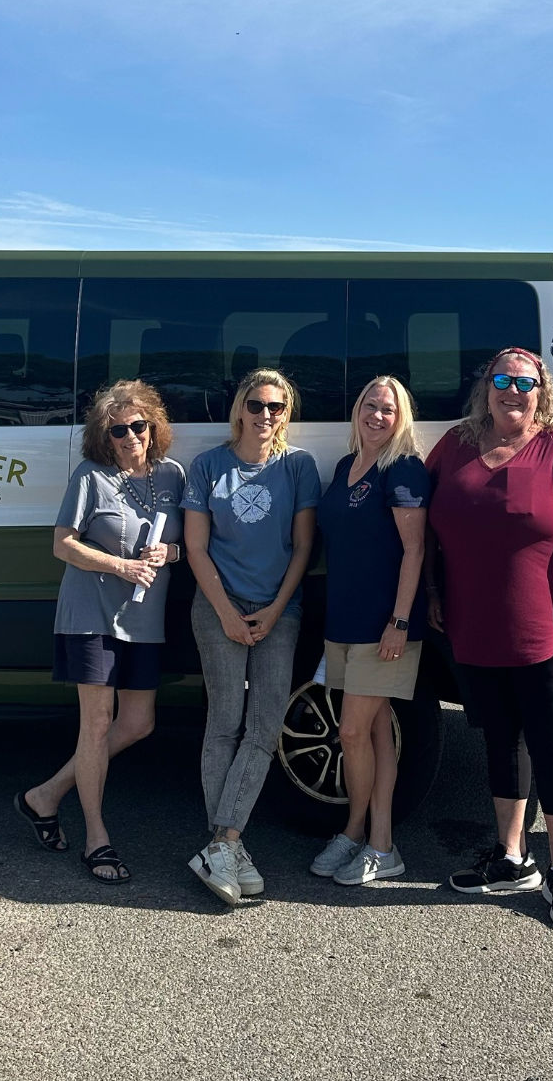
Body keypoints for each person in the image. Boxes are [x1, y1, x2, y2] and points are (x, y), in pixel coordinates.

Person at [425, 348, 553, 929]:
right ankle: (512, 857)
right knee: (501, 739)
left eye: (525, 383)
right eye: (502, 380)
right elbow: (424, 516)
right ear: (487, 387)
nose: (513, 391)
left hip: (550, 630)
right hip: (473, 624)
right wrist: (434, 592)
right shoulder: (456, 445)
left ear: (542, 391)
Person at [15, 380, 185, 884]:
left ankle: (44, 796)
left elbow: (189, 542)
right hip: (91, 613)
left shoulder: (173, 476)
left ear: (154, 427)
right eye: (119, 430)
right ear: (104, 435)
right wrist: (120, 566)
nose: (131, 436)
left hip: (144, 620)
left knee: (137, 723)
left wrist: (169, 553)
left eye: (139, 426)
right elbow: (63, 545)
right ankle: (96, 838)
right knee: (95, 724)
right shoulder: (91, 476)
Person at [182, 367, 322, 904]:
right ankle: (226, 848)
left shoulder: (299, 466)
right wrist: (228, 614)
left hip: (279, 611)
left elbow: (303, 547)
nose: (267, 416)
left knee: (264, 726)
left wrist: (273, 610)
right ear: (240, 407)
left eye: (278, 407)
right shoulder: (209, 466)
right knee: (223, 723)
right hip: (217, 608)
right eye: (259, 405)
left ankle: (224, 843)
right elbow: (196, 548)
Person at [310, 376, 428, 886]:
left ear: (401, 417)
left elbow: (414, 550)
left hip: (386, 626)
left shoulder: (402, 468)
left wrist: (399, 622)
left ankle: (364, 833)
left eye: (389, 409)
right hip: (345, 620)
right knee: (377, 731)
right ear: (357, 410)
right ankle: (374, 841)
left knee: (352, 731)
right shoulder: (345, 465)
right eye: (371, 406)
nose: (378, 416)